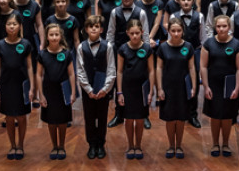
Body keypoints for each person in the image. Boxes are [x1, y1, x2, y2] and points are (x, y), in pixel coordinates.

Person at [106, 0, 149, 128]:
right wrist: (110, 53)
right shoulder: (114, 12)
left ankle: (145, 115)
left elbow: (146, 35)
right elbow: (110, 34)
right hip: (120, 52)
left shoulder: (141, 12)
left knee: (142, 82)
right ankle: (119, 114)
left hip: (139, 53)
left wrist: (147, 51)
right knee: (120, 83)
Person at [201, 14, 239, 157]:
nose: (221, 29)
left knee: (227, 116)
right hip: (213, 85)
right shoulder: (208, 44)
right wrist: (206, 86)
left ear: (229, 27)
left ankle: (225, 143)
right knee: (215, 116)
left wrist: (237, 88)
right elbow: (203, 66)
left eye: (224, 26)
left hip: (229, 86)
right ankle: (215, 143)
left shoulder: (236, 44)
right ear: (215, 27)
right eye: (218, 26)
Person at [0, 13, 35, 160]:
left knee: (22, 117)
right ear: (5, 26)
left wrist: (32, 87)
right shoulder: (0, 45)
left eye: (14, 24)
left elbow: (30, 67)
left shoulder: (25, 44)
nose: (12, 27)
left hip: (21, 84)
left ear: (20, 26)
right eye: (9, 24)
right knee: (9, 117)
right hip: (6, 84)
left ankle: (21, 145)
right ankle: (12, 145)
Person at [156, 17, 198, 158]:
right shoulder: (163, 47)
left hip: (182, 87)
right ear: (168, 31)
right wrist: (160, 88)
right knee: (170, 118)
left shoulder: (188, 47)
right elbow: (159, 68)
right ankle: (170, 145)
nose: (175, 33)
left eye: (178, 30)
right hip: (168, 87)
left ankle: (179, 145)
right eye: (173, 30)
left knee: (180, 118)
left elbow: (192, 68)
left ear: (183, 31)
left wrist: (193, 87)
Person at [76, 15, 116, 159]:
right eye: (91, 26)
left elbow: (111, 69)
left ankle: (101, 144)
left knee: (102, 117)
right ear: (86, 29)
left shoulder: (108, 46)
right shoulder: (81, 47)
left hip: (103, 90)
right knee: (89, 117)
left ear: (101, 29)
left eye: (97, 26)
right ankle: (91, 144)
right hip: (88, 90)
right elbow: (80, 71)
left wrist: (105, 89)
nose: (94, 28)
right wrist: (88, 90)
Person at [38, 23, 77, 160]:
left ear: (61, 36)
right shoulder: (42, 54)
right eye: (51, 35)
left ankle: (62, 146)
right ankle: (54, 146)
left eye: (56, 34)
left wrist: (73, 92)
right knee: (51, 120)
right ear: (47, 37)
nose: (54, 37)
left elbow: (72, 74)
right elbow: (39, 75)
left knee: (62, 120)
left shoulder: (67, 54)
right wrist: (40, 94)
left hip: (63, 91)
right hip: (49, 91)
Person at [117, 20, 154, 159]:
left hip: (142, 89)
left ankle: (138, 145)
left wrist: (151, 91)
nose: (134, 36)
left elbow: (151, 71)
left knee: (139, 119)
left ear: (142, 33)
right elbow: (119, 71)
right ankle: (130, 145)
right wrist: (119, 92)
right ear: (127, 33)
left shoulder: (147, 49)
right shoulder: (122, 49)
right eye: (131, 33)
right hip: (127, 88)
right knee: (128, 119)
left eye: (137, 33)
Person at [172, 0, 204, 128]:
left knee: (194, 82)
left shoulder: (199, 17)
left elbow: (203, 39)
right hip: (177, 52)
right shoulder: (174, 17)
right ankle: (180, 111)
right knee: (178, 81)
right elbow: (170, 38)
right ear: (179, 1)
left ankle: (192, 114)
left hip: (195, 52)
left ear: (193, 1)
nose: (186, 2)